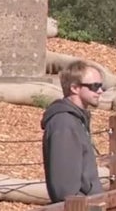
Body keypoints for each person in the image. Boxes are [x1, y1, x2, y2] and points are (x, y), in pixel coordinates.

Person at [42, 60, 106, 203]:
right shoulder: (64, 123)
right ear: (74, 88)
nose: (100, 91)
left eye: (101, 86)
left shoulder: (76, 120)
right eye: (95, 86)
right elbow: (65, 190)